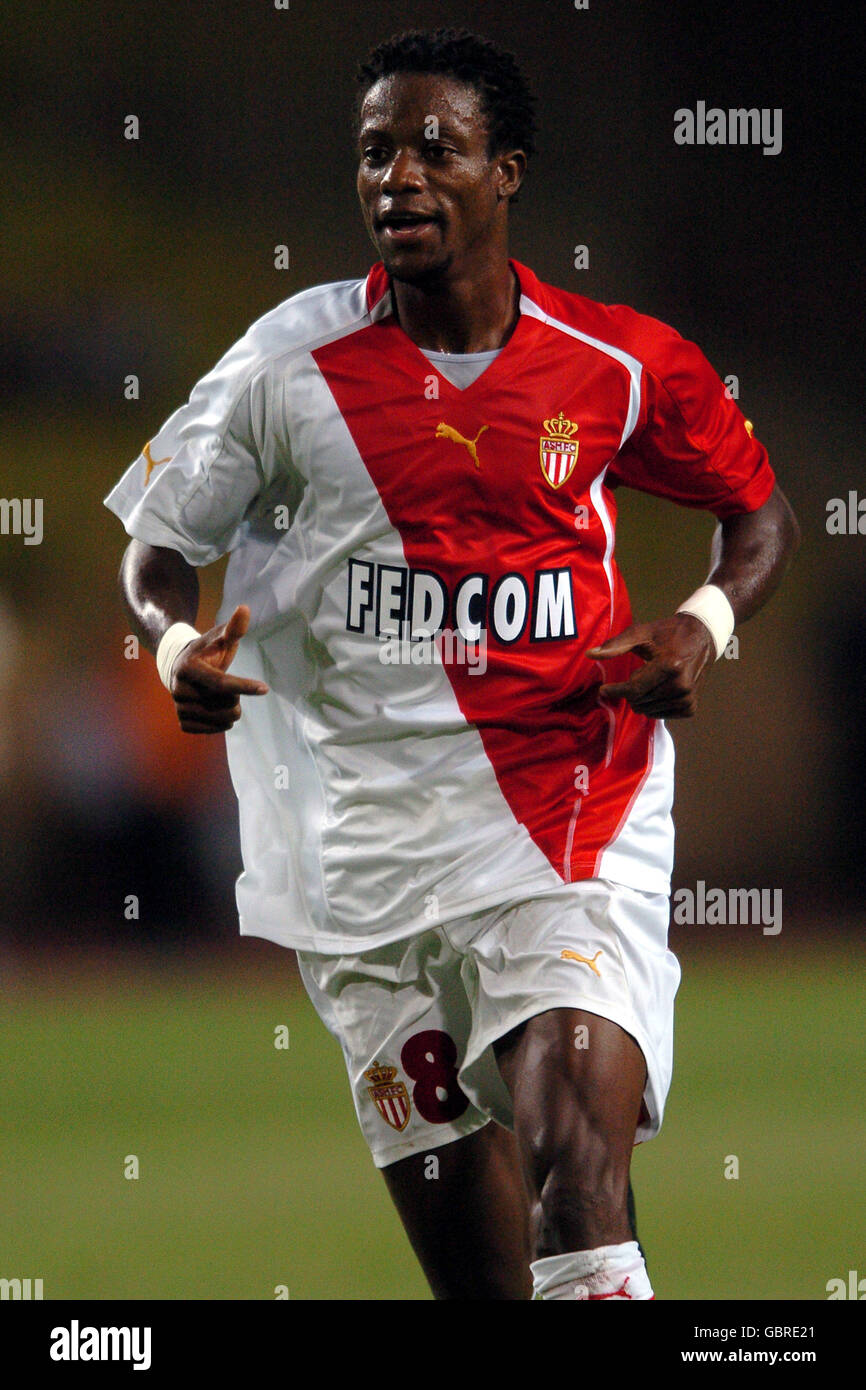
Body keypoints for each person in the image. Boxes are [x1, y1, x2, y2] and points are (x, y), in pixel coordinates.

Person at [106, 28, 800, 1300]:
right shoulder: (285, 366)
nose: (399, 178)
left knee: (576, 1183)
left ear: (506, 173)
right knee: (488, 1283)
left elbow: (757, 513)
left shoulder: (616, 363)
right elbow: (156, 549)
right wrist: (174, 646)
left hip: (566, 816)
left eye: (436, 149)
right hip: (364, 859)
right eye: (375, 152)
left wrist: (704, 619)